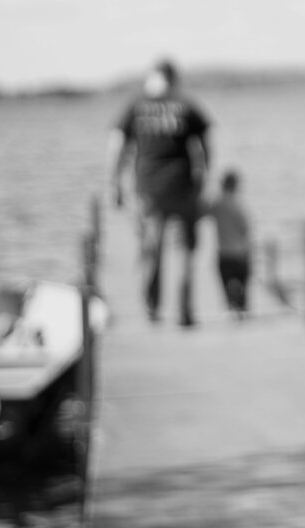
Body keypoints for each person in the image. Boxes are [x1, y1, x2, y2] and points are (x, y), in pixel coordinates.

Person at [109, 59, 211, 327]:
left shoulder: (135, 105)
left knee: (152, 250)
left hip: (148, 190)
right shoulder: (186, 104)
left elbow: (117, 145)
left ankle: (152, 309)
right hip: (183, 187)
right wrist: (203, 179)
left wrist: (114, 183)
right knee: (186, 251)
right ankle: (186, 312)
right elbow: (204, 146)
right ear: (173, 78)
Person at [206, 169, 252, 319]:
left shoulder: (217, 203)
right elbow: (245, 228)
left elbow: (204, 211)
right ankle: (242, 308)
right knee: (242, 282)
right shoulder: (239, 205)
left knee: (227, 282)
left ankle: (232, 307)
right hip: (240, 253)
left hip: (224, 254)